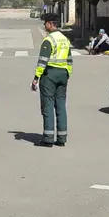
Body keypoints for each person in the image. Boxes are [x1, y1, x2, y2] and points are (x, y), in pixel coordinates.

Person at [31, 13, 72, 147]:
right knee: (60, 106)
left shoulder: (48, 40)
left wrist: (36, 77)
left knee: (48, 105)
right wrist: (67, 74)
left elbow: (42, 61)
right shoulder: (65, 39)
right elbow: (69, 60)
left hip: (50, 74)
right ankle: (62, 138)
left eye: (45, 23)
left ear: (50, 24)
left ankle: (48, 138)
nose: (44, 26)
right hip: (63, 74)